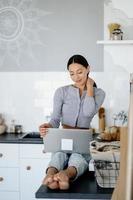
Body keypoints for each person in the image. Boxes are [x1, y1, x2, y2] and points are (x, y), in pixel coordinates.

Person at [39, 54, 105, 190]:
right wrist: (48, 126)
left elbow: (88, 112)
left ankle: (65, 174)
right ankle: (50, 174)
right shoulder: (61, 92)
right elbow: (55, 120)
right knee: (58, 155)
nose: (76, 77)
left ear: (88, 69)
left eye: (80, 72)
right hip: (63, 136)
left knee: (78, 157)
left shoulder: (99, 93)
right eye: (72, 74)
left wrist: (90, 87)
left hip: (83, 138)